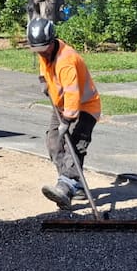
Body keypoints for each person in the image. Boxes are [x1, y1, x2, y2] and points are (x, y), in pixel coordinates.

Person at [27, 16, 102, 210]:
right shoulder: (45, 51)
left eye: (44, 49)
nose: (41, 53)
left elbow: (72, 93)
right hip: (61, 106)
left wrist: (68, 120)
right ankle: (74, 184)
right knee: (53, 142)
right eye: (37, 50)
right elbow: (44, 64)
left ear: (52, 41)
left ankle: (66, 185)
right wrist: (43, 79)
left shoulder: (66, 60)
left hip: (85, 107)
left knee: (74, 147)